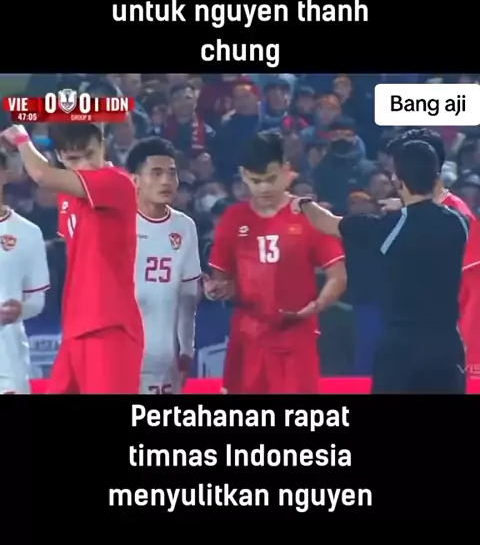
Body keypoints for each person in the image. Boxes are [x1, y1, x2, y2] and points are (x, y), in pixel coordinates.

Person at [295, 140, 468, 394]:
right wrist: (405, 205)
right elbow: (433, 211)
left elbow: (328, 223)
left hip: (401, 351)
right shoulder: (459, 223)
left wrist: (303, 203)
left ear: (398, 180)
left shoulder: (388, 227)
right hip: (447, 349)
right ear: (436, 177)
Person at [1, 123, 144, 394]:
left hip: (110, 326)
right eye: (73, 159)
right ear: (61, 158)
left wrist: (20, 137)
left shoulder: (116, 182)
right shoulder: (68, 193)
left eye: (90, 154)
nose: (85, 165)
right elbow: (43, 172)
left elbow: (42, 174)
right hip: (75, 328)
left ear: (103, 145)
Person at [206, 131, 347, 394]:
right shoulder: (233, 219)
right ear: (244, 175)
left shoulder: (307, 214)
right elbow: (221, 279)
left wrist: (317, 305)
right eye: (256, 181)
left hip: (296, 340)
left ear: (286, 170)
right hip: (248, 341)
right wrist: (216, 290)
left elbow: (337, 275)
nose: (264, 188)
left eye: (271, 179)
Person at [384, 129, 480, 381]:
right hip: (417, 341)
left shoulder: (458, 217)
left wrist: (468, 351)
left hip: (449, 347)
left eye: (399, 170)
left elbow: (474, 291)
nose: (394, 178)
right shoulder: (411, 214)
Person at [126, 138, 201, 394]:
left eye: (172, 173)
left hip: (167, 360)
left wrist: (187, 348)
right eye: (156, 173)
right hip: (125, 354)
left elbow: (188, 297)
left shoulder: (185, 226)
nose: (166, 181)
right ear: (135, 180)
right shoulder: (118, 224)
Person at [0, 148, 49, 393]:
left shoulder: (28, 232)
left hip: (9, 361)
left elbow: (37, 301)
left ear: (4, 173)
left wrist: (21, 309)